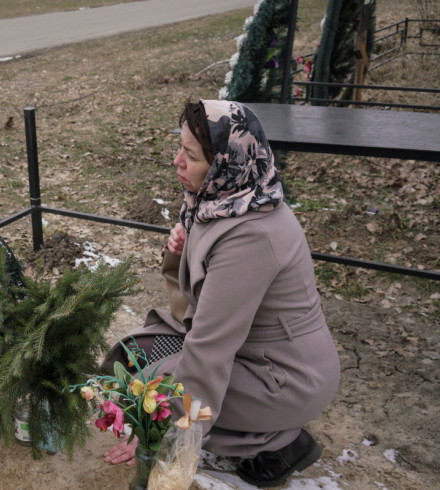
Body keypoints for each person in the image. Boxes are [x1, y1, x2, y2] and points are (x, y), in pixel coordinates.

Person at [102, 100, 340, 487]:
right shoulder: (224, 198)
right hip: (250, 351)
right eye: (179, 148)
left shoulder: (251, 235)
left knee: (149, 397)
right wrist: (181, 249)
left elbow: (211, 348)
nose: (177, 161)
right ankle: (248, 430)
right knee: (134, 361)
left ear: (224, 163)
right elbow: (192, 304)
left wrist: (168, 434)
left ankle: (281, 441)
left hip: (284, 377)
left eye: (191, 155)